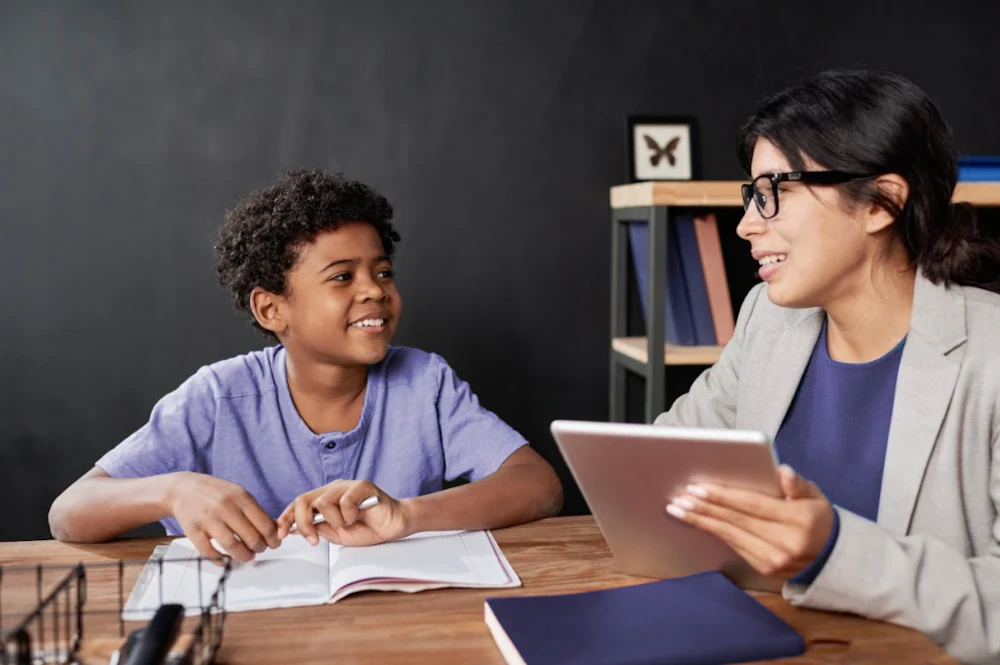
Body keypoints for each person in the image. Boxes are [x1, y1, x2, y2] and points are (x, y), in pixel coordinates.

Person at [655, 67, 1000, 664]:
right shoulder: (768, 316)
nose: (746, 224)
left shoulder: (989, 355)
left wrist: (834, 549)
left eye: (775, 191)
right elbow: (666, 450)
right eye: (750, 194)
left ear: (882, 202)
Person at [49, 169, 563, 562]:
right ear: (272, 309)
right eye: (342, 277)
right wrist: (173, 488)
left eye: (382, 271)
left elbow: (538, 485)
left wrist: (406, 515)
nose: (374, 291)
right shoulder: (216, 398)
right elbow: (69, 513)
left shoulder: (424, 383)